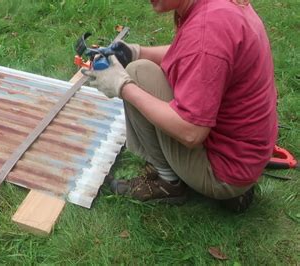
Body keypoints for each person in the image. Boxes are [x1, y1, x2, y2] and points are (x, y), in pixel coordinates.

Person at [83, 0, 278, 212]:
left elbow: (191, 133)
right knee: (140, 67)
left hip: (225, 172)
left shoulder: (207, 31)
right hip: (246, 155)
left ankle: (168, 184)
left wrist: (121, 87)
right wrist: (136, 52)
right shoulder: (216, 8)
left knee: (136, 76)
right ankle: (232, 185)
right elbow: (190, 53)